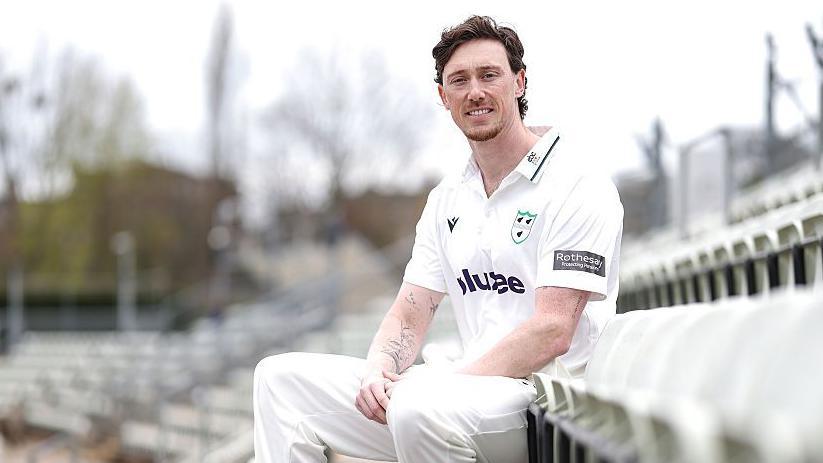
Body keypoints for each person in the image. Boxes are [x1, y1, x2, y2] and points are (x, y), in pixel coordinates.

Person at [253, 15, 623, 463]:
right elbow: (411, 313)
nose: (476, 92)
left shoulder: (577, 183)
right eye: (459, 81)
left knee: (415, 407)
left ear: (519, 82)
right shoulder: (447, 198)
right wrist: (379, 371)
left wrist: (446, 384)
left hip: (546, 403)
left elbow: (552, 331)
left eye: (489, 75)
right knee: (279, 380)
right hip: (455, 398)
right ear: (443, 96)